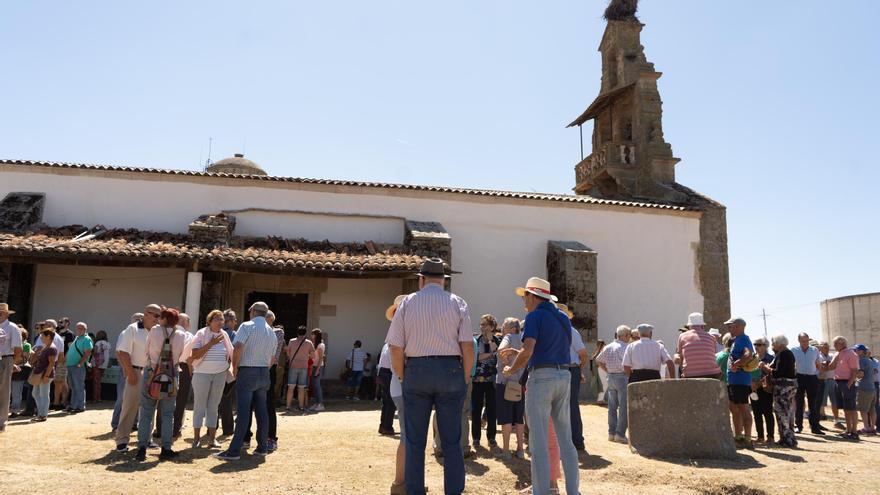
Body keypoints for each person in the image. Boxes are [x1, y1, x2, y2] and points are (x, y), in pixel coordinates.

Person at [385, 258, 474, 495]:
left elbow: (395, 347)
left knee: (414, 441)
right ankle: (453, 491)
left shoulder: (408, 303)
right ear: (444, 280)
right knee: (452, 441)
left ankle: (415, 491)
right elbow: (467, 346)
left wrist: (403, 376)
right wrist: (465, 376)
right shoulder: (458, 303)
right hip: (450, 371)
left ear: (421, 279)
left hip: (416, 370)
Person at [502, 276, 580, 495]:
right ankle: (573, 491)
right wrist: (522, 355)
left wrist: (511, 369)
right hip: (563, 376)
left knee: (538, 444)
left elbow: (529, 349)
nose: (523, 301)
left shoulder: (534, 316)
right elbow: (549, 348)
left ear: (531, 295)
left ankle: (542, 491)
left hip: (542, 378)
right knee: (566, 441)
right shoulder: (563, 318)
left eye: (524, 296)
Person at [214, 301, 278, 460]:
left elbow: (239, 347)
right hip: (264, 372)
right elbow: (272, 358)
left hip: (248, 370)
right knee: (262, 412)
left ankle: (234, 450)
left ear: (253, 311)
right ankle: (262, 447)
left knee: (243, 412)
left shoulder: (247, 326)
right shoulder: (272, 332)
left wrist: (234, 367)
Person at [134, 307, 188, 461]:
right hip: (171, 375)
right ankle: (166, 447)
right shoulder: (181, 334)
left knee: (146, 412)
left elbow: (146, 351)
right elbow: (182, 356)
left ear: (164, 319)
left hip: (152, 374)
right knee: (167, 414)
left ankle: (142, 448)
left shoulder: (155, 331)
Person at [114, 305, 159, 452]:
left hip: (152, 373)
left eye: (159, 316)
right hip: (136, 371)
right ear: (146, 314)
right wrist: (130, 372)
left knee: (150, 408)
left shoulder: (157, 331)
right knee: (129, 407)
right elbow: (122, 352)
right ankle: (122, 439)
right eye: (155, 316)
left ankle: (147, 438)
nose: (158, 319)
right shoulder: (132, 329)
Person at [188, 310, 234, 449]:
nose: (220, 322)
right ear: (209, 321)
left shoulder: (224, 335)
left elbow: (230, 353)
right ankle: (196, 438)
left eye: (222, 319)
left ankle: (212, 439)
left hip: (220, 374)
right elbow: (194, 354)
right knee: (199, 406)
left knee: (214, 407)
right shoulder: (201, 333)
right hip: (202, 373)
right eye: (217, 319)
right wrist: (211, 343)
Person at [557, 304, 589, 451]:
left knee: (570, 405)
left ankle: (576, 440)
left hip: (568, 369)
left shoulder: (571, 331)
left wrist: (578, 369)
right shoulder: (561, 331)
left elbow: (583, 354)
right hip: (563, 369)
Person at [495, 317, 525, 460]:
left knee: (506, 418)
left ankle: (506, 451)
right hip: (521, 383)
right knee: (519, 418)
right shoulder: (524, 338)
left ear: (512, 329)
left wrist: (506, 362)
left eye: (505, 326)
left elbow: (501, 349)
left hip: (505, 383)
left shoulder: (508, 337)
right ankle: (520, 449)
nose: (502, 328)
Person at [595, 325, 631, 443]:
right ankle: (620, 434)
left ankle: (611, 433)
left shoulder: (609, 347)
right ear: (625, 335)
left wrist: (607, 370)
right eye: (629, 335)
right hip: (622, 377)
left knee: (612, 407)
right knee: (623, 407)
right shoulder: (626, 347)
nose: (630, 337)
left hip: (611, 377)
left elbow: (598, 360)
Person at [760, 334, 797, 448]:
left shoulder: (783, 353)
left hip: (782, 387)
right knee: (788, 412)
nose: (772, 345)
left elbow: (778, 372)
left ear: (779, 343)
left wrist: (765, 368)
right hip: (789, 386)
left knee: (782, 412)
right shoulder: (788, 353)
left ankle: (786, 439)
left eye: (773, 343)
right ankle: (789, 438)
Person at [724, 317, 754, 449]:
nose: (729, 328)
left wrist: (738, 363)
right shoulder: (736, 340)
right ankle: (738, 437)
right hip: (734, 381)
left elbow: (748, 354)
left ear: (738, 326)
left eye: (731, 326)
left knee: (743, 409)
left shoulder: (744, 339)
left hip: (740, 381)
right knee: (734, 409)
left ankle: (747, 439)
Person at [472, 314, 501, 449]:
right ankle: (476, 438)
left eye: (484, 325)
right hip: (477, 380)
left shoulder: (497, 340)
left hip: (492, 380)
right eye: (481, 324)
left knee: (492, 410)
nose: (482, 327)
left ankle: (491, 437)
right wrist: (490, 354)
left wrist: (491, 343)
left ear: (491, 327)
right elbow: (476, 358)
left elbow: (499, 355)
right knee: (476, 410)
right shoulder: (476, 340)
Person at [825, 336, 861, 440]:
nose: (834, 346)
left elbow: (855, 371)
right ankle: (848, 430)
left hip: (847, 383)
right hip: (838, 382)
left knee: (852, 408)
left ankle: (854, 432)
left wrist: (849, 385)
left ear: (842, 343)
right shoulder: (837, 354)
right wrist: (829, 362)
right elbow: (831, 367)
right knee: (845, 408)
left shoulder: (851, 354)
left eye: (835, 344)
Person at [111, 313, 142, 432]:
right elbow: (119, 352)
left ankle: (134, 423)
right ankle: (116, 423)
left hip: (139, 370)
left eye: (140, 318)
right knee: (122, 399)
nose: (138, 320)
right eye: (136, 319)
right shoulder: (125, 332)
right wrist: (125, 368)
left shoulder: (142, 333)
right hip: (126, 369)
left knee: (136, 400)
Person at [791, 332, 825, 435]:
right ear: (799, 341)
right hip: (799, 377)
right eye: (803, 341)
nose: (805, 343)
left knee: (813, 404)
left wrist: (818, 374)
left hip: (812, 378)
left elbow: (819, 364)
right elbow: (791, 364)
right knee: (799, 403)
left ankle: (815, 427)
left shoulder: (814, 350)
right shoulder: (794, 350)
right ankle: (799, 426)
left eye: (806, 340)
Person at [675, 312, 722, 379]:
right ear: (702, 325)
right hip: (711, 373)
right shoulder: (712, 337)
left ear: (689, 326)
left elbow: (680, 356)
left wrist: (683, 371)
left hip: (690, 374)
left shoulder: (682, 336)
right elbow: (713, 355)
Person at [0, 302, 24, 431]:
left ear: (5, 314)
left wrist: (12, 363)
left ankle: (1, 421)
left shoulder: (12, 327)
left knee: (3, 391)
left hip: (5, 359)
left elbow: (18, 349)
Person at [750, 337, 775, 445]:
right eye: (755, 344)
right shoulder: (751, 358)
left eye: (759, 344)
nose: (756, 346)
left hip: (766, 389)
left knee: (768, 412)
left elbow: (772, 374)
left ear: (765, 346)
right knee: (756, 413)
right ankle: (760, 436)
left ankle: (770, 436)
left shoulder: (771, 358)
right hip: (753, 389)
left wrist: (759, 383)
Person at [217, 309, 238, 437]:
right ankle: (228, 428)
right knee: (226, 400)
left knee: (213, 400)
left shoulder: (215, 332)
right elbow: (236, 353)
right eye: (235, 320)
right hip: (228, 371)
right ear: (229, 321)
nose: (236, 323)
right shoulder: (234, 335)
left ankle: (211, 428)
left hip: (213, 369)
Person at [30, 328, 58, 422]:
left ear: (48, 336)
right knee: (36, 393)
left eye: (43, 336)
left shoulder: (51, 348)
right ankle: (41, 413)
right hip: (40, 374)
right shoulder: (47, 347)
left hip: (45, 375)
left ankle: (43, 415)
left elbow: (51, 363)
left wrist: (46, 376)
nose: (41, 337)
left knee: (44, 395)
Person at [285, 325, 315, 413]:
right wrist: (306, 356)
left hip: (293, 366)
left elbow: (288, 352)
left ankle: (288, 406)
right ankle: (301, 406)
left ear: (297, 333)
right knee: (301, 388)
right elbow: (313, 356)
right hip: (304, 367)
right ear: (305, 333)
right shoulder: (309, 343)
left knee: (291, 387)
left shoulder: (291, 341)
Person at [65, 321, 93, 413]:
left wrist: (80, 363)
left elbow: (88, 352)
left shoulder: (86, 339)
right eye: (78, 328)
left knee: (79, 386)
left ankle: (80, 406)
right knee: (73, 386)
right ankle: (74, 405)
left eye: (81, 328)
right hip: (71, 365)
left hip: (78, 366)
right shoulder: (77, 338)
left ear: (85, 329)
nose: (79, 330)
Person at [853, 344, 876, 435]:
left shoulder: (861, 360)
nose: (854, 352)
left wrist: (853, 374)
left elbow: (861, 374)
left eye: (856, 350)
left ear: (861, 351)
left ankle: (866, 428)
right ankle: (872, 428)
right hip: (872, 387)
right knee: (872, 409)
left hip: (864, 388)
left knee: (863, 410)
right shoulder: (869, 360)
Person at [10, 327, 31, 418]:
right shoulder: (12, 344)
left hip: (19, 370)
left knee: (16, 392)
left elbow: (25, 358)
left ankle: (15, 411)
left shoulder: (26, 345)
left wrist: (12, 363)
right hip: (9, 369)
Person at [378, 339, 397, 435]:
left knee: (385, 401)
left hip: (382, 372)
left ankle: (382, 426)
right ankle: (388, 427)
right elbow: (394, 363)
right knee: (391, 401)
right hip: (389, 373)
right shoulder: (394, 344)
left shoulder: (386, 345)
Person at [817, 341, 837, 422]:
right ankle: (822, 415)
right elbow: (822, 368)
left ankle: (836, 418)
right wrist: (828, 366)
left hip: (832, 380)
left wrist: (826, 367)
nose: (826, 348)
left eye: (827, 347)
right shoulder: (818, 357)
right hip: (823, 380)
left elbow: (834, 366)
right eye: (824, 347)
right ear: (820, 348)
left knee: (834, 400)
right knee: (822, 400)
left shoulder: (832, 356)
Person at [90, 330, 110, 402]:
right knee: (99, 381)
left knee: (96, 382)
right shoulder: (107, 344)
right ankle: (99, 397)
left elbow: (94, 351)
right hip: (104, 364)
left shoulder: (98, 343)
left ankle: (96, 398)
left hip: (97, 364)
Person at [309, 328, 326, 412]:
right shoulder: (315, 344)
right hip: (315, 366)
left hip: (318, 366)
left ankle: (321, 404)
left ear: (316, 335)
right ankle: (317, 403)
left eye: (312, 334)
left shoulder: (320, 345)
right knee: (314, 386)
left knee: (317, 386)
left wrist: (318, 369)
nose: (311, 336)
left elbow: (320, 358)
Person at [591, 339, 607, 404]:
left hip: (598, 369)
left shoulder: (596, 352)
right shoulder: (600, 352)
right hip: (601, 369)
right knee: (603, 384)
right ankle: (600, 399)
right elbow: (598, 362)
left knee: (602, 384)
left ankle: (601, 399)